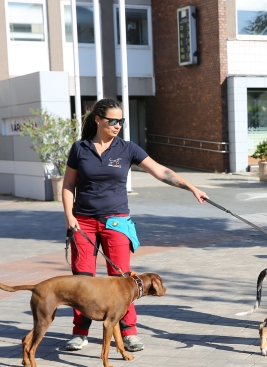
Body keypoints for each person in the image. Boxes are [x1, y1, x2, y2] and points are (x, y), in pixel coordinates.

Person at [62, 98, 208, 351]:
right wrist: (69, 216)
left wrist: (191, 187)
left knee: (121, 279)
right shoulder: (80, 148)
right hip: (82, 221)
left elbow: (160, 171)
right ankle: (80, 331)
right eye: (113, 120)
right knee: (82, 279)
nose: (118, 125)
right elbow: (67, 185)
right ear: (98, 119)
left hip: (116, 221)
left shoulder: (127, 148)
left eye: (121, 121)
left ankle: (128, 331)